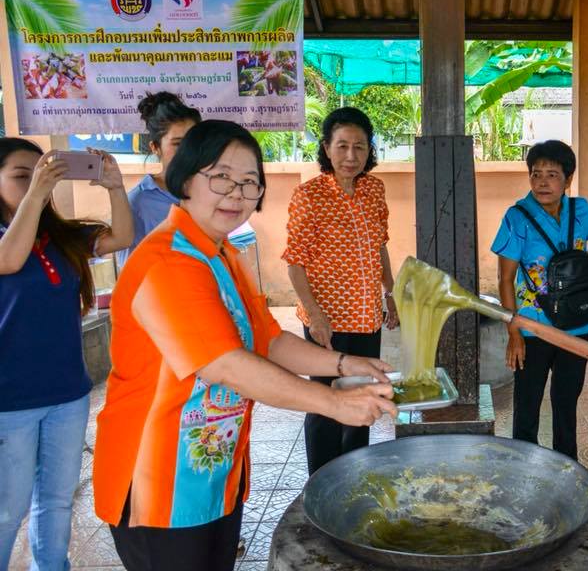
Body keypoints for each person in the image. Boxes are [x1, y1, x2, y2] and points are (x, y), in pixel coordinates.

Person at [93, 120, 395, 571]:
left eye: (250, 182)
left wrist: (344, 361)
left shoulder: (224, 255)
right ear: (186, 179)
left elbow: (268, 340)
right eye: (221, 177)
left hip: (214, 471)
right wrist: (336, 404)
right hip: (157, 480)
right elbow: (227, 365)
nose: (236, 192)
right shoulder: (166, 261)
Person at [0, 138, 133, 570]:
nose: (36, 181)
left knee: (56, 501)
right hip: (10, 401)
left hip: (67, 394)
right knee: (7, 509)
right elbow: (10, 260)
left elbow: (123, 236)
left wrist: (114, 187)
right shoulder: (7, 240)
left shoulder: (63, 236)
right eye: (22, 175)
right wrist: (36, 194)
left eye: (41, 173)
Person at [283, 107, 399, 475]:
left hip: (367, 318)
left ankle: (354, 474)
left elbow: (379, 244)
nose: (351, 156)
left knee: (365, 394)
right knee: (326, 401)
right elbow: (295, 261)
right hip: (327, 321)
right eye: (342, 146)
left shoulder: (373, 189)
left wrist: (390, 292)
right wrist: (315, 315)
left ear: (370, 151)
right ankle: (321, 479)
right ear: (327, 148)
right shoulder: (309, 196)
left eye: (360, 147)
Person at [493, 140, 588, 460]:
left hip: (578, 323)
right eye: (536, 174)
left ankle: (566, 470)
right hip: (533, 327)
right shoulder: (517, 217)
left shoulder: (581, 210)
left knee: (565, 402)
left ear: (568, 179)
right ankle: (522, 470)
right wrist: (513, 333)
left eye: (552, 174)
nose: (543, 182)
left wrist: (587, 264)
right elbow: (505, 279)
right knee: (527, 404)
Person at [115, 91, 201, 268]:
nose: (188, 150)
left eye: (193, 141)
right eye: (177, 143)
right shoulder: (139, 202)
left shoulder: (209, 191)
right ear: (155, 147)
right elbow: (131, 274)